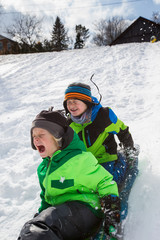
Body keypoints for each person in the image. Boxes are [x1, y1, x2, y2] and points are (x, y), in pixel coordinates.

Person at [17, 109, 121, 240]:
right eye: (33, 136)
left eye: (42, 134)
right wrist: (40, 216)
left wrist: (112, 213)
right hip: (62, 216)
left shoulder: (79, 160)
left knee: (36, 230)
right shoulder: (43, 169)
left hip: (87, 210)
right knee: (33, 230)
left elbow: (105, 181)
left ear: (58, 137)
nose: (36, 139)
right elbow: (46, 198)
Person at [63, 82, 139, 221]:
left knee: (110, 183)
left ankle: (122, 161)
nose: (71, 106)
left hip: (105, 158)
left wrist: (129, 149)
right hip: (85, 162)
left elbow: (122, 130)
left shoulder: (104, 116)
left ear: (86, 102)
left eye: (75, 101)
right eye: (68, 102)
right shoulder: (69, 123)